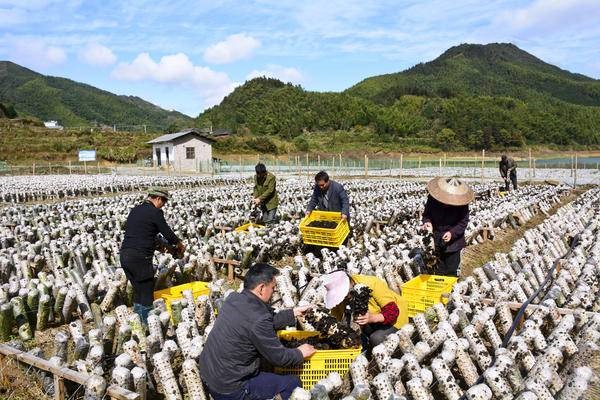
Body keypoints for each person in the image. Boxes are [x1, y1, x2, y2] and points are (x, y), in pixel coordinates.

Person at [199, 263, 315, 400]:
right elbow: (279, 358)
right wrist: (300, 352)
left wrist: (293, 313)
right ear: (261, 288)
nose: (274, 292)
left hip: (210, 375)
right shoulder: (259, 319)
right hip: (229, 388)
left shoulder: (234, 299)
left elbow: (260, 322)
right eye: (273, 288)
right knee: (292, 384)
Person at [120, 188, 184, 323]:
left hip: (125, 256)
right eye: (164, 202)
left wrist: (161, 246)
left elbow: (143, 233)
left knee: (138, 292)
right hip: (140, 258)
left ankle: (138, 326)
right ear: (158, 198)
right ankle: (147, 325)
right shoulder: (155, 212)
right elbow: (167, 233)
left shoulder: (135, 210)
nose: (164, 205)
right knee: (147, 294)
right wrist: (179, 244)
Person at [322, 270, 408, 349]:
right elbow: (337, 320)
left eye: (346, 295)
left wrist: (372, 318)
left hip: (393, 319)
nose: (344, 298)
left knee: (376, 338)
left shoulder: (372, 283)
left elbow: (393, 311)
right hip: (369, 324)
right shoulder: (338, 300)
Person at [421, 177, 473, 277]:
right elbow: (426, 215)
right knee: (437, 270)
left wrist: (451, 233)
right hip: (436, 239)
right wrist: (427, 222)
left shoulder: (461, 203)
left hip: (454, 244)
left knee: (451, 271)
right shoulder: (433, 199)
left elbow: (463, 222)